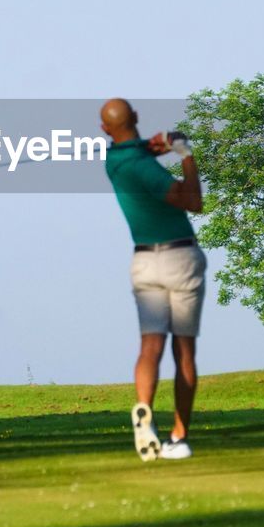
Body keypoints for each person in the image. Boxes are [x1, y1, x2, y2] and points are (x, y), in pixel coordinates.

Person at [100, 98, 206, 461]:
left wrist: (160, 142)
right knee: (184, 352)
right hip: (180, 257)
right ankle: (179, 437)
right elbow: (193, 201)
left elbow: (134, 147)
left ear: (105, 130)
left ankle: (144, 408)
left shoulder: (113, 162)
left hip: (144, 261)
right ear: (137, 118)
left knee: (150, 347)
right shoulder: (148, 169)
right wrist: (186, 155)